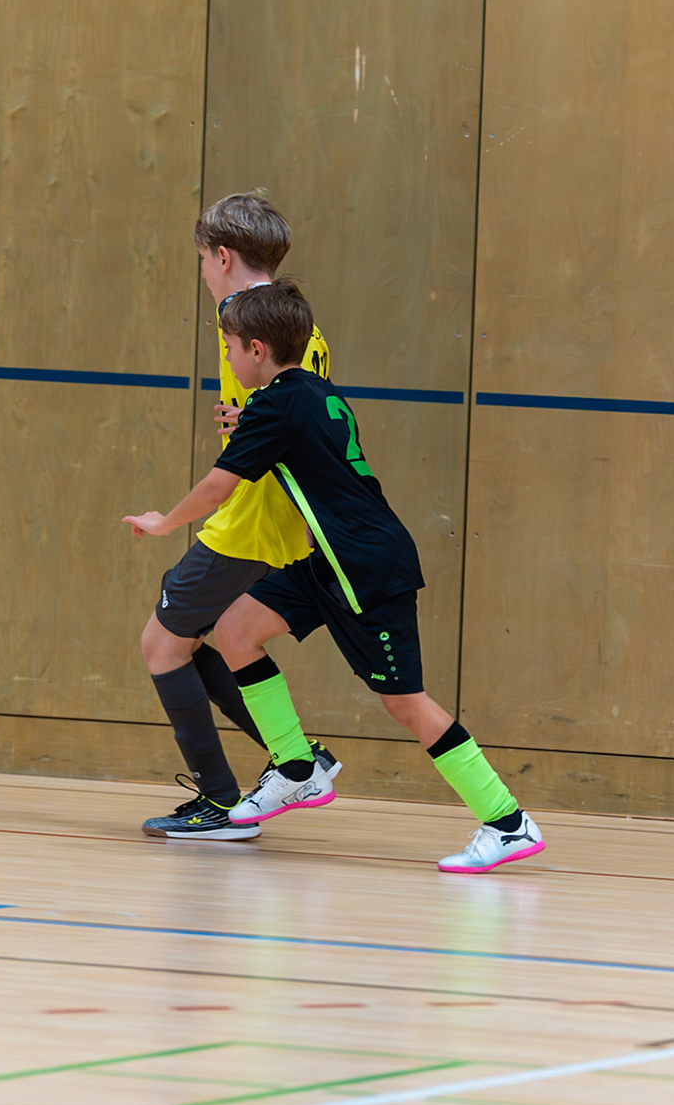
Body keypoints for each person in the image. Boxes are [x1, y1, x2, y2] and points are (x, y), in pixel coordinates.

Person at [124, 280, 545, 872]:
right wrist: (252, 422)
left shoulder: (273, 407)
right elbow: (301, 441)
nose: (227, 359)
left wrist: (163, 522)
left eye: (230, 348)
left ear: (257, 349)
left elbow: (219, 488)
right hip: (325, 560)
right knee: (236, 630)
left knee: (404, 702)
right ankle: (297, 766)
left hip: (365, 568)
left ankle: (506, 821)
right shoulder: (313, 393)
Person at [133, 193, 337, 840]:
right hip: (288, 521)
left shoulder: (240, 321)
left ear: (222, 257)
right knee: (203, 639)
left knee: (162, 645)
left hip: (249, 521)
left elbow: (249, 454)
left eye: (201, 258)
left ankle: (223, 803)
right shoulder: (302, 324)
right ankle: (300, 758)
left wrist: (167, 520)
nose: (201, 270)